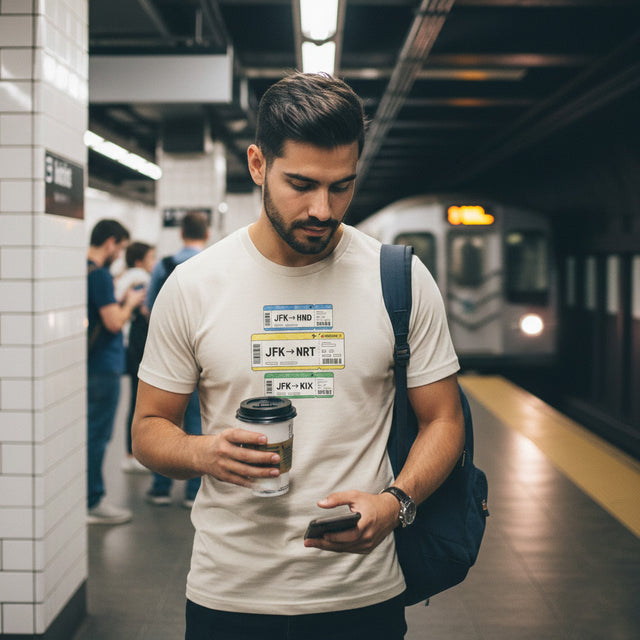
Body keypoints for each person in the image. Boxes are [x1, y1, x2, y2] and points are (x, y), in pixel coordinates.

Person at [132, 72, 464, 639]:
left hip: (362, 595)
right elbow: (147, 429)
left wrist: (395, 502)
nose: (322, 208)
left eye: (342, 187)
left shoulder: (401, 280)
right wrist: (203, 453)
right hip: (229, 596)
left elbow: (444, 419)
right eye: (301, 184)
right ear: (258, 164)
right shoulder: (194, 286)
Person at [144, 212, 209, 508]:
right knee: (197, 419)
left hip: (169, 354)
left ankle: (160, 488)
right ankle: (194, 490)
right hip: (204, 354)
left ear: (181, 233)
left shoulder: (164, 265)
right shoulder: (213, 264)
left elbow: (149, 308)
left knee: (163, 419)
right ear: (205, 234)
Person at [87, 219, 146, 525]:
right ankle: (93, 500)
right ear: (110, 242)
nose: (119, 255)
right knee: (97, 434)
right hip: (103, 367)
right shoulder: (97, 275)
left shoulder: (82, 270)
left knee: (93, 433)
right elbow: (113, 322)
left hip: (92, 364)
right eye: (120, 248)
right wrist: (131, 303)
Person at [115, 241, 156, 474]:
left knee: (134, 400)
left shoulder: (126, 275)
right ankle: (132, 454)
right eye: (151, 258)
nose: (154, 263)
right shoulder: (140, 278)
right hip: (138, 349)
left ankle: (130, 454)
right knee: (137, 403)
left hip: (131, 348)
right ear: (140, 260)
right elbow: (145, 310)